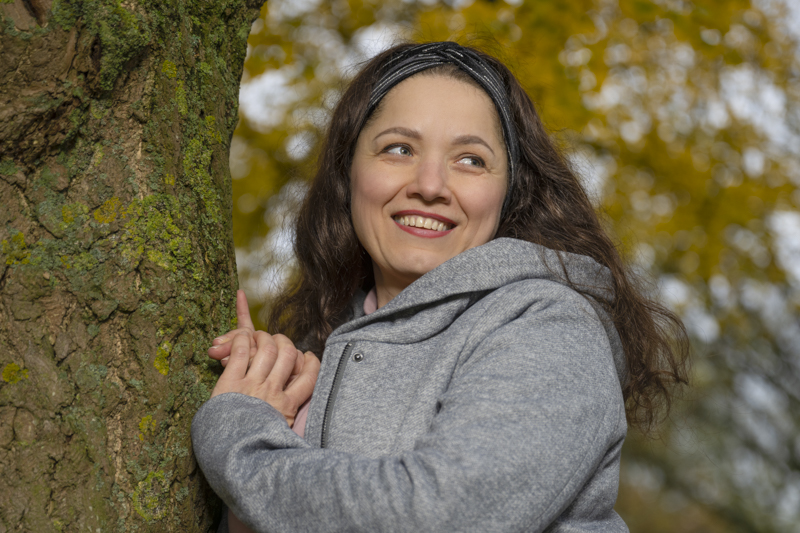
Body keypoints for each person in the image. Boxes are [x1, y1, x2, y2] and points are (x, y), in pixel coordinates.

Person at [192, 41, 689, 533]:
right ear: (349, 171)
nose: (430, 185)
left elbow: (441, 516)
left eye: (470, 159)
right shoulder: (324, 348)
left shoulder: (549, 327)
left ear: (510, 191)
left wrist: (239, 438)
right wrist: (266, 400)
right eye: (399, 149)